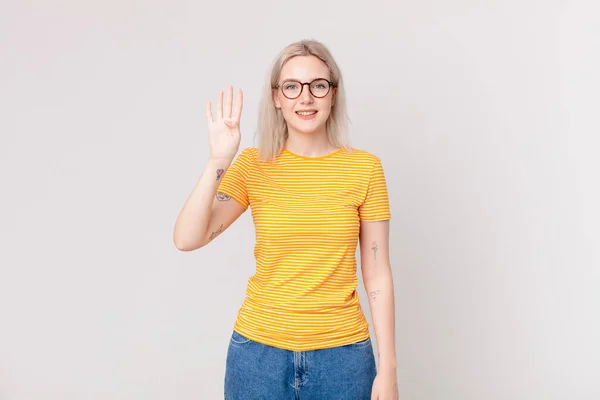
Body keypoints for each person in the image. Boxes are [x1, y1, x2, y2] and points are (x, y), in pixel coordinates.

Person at [173, 39, 399, 400]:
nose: (305, 98)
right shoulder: (252, 165)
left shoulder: (364, 169)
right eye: (292, 87)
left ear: (333, 94)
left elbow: (377, 273)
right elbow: (187, 238)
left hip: (343, 359)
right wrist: (219, 159)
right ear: (277, 97)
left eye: (318, 86)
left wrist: (387, 371)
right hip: (257, 357)